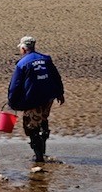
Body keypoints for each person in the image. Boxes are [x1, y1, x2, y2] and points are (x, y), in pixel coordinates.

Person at [7, 35, 65, 163]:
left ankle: (39, 158)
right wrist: (60, 93)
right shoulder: (45, 59)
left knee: (31, 127)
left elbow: (15, 85)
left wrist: (12, 101)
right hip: (48, 98)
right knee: (43, 120)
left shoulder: (22, 64)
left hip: (32, 100)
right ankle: (42, 148)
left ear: (23, 49)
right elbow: (56, 77)